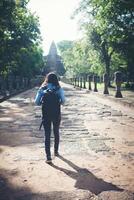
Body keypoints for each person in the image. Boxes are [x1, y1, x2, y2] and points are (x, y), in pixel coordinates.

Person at [35, 72, 65, 164]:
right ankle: (56, 151)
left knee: (47, 135)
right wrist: (58, 101)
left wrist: (43, 102)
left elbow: (37, 102)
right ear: (56, 79)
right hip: (56, 114)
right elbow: (63, 101)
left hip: (46, 114)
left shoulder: (42, 88)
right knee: (56, 132)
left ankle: (48, 157)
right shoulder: (59, 88)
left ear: (47, 79)